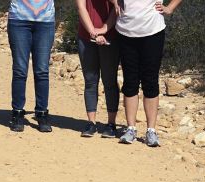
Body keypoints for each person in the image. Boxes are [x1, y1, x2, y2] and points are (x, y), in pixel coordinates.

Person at [113, 0, 181, 146]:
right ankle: (131, 128)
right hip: (126, 31)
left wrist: (170, 8)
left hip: (152, 31)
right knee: (130, 81)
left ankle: (151, 130)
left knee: (150, 81)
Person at [7, 0, 56, 132]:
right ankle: (17, 112)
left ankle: (42, 113)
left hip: (45, 20)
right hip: (19, 19)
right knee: (20, 70)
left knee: (42, 70)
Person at [75, 0, 120, 137]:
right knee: (90, 81)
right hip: (85, 36)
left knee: (110, 81)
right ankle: (91, 122)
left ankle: (111, 123)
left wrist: (104, 29)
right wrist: (93, 31)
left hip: (111, 35)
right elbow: (81, 7)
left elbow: (116, 7)